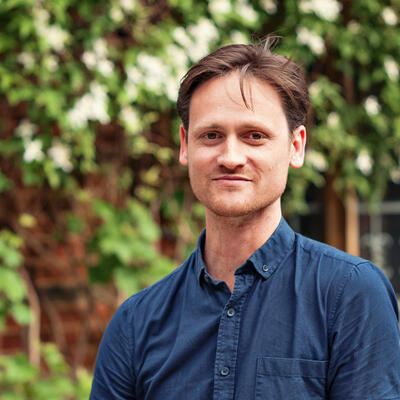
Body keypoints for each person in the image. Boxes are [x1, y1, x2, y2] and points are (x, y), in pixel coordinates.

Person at [90, 37, 400, 399]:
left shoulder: (349, 295)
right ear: (185, 145)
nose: (231, 157)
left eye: (254, 136)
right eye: (211, 135)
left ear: (295, 146)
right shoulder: (136, 324)